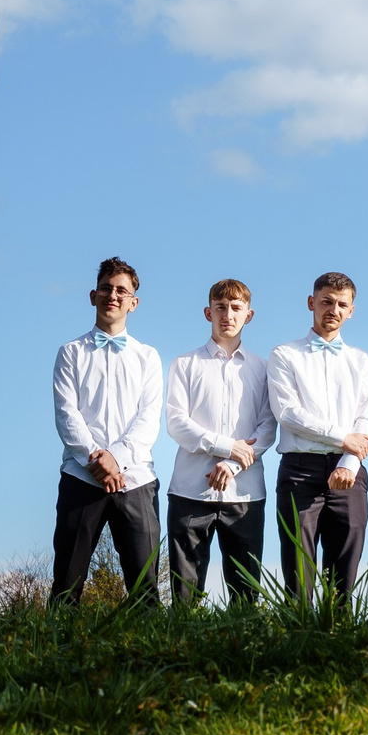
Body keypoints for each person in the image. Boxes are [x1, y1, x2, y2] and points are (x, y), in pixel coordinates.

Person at [50, 256, 164, 604]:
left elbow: (149, 418)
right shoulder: (70, 352)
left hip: (137, 480)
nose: (112, 295)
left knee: (145, 590)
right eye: (106, 288)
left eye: (121, 290)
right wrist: (97, 463)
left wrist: (116, 459)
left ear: (134, 302)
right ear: (92, 295)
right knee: (66, 587)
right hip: (82, 478)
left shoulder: (149, 357)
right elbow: (67, 414)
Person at [266, 272, 368, 604]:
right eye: (327, 301)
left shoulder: (363, 361)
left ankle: (338, 635)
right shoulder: (285, 355)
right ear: (311, 303)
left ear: (352, 310)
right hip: (300, 469)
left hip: (349, 472)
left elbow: (366, 418)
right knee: (298, 564)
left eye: (342, 304)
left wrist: (349, 461)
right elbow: (288, 413)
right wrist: (344, 439)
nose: (334, 309)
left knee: (345, 562)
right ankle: (298, 634)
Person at [164, 278, 275, 607]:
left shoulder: (263, 369)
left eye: (236, 308)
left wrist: (232, 463)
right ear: (207, 312)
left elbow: (268, 427)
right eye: (221, 307)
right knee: (184, 593)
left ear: (249, 315)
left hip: (245, 493)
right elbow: (177, 423)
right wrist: (226, 447)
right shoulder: (184, 364)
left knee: (245, 593)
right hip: (189, 490)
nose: (228, 314)